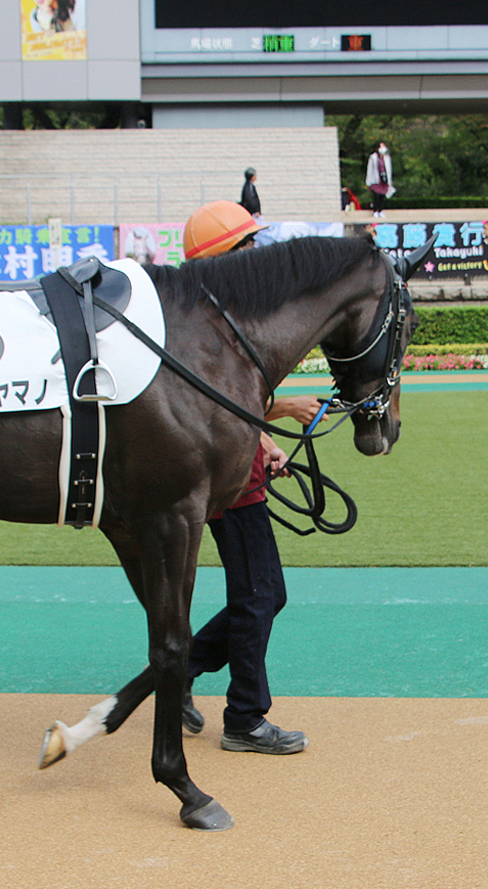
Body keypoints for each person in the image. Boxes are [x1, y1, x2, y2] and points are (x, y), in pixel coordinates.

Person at [181, 199, 322, 754]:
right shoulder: (207, 327)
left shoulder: (223, 321)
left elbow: (237, 403)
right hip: (225, 482)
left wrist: (264, 442)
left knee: (263, 593)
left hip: (239, 471)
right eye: (247, 246)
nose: (256, 253)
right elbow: (210, 408)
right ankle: (243, 717)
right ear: (225, 257)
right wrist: (281, 414)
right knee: (260, 594)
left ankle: (182, 671)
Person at [365, 141, 394, 218]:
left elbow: (389, 169)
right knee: (376, 196)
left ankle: (380, 210)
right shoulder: (373, 157)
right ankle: (375, 211)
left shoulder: (387, 158)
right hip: (376, 179)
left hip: (384, 179)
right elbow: (370, 169)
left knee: (382, 196)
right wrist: (368, 181)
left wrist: (389, 181)